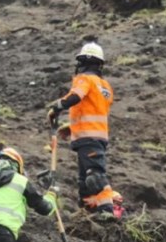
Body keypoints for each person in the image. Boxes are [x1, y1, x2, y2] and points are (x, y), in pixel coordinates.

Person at [47, 42, 116, 217]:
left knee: (94, 174)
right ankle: (87, 213)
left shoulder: (84, 79)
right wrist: (72, 127)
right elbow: (94, 112)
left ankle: (107, 210)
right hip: (96, 137)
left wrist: (57, 106)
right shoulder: (106, 88)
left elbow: (76, 96)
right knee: (85, 179)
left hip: (87, 137)